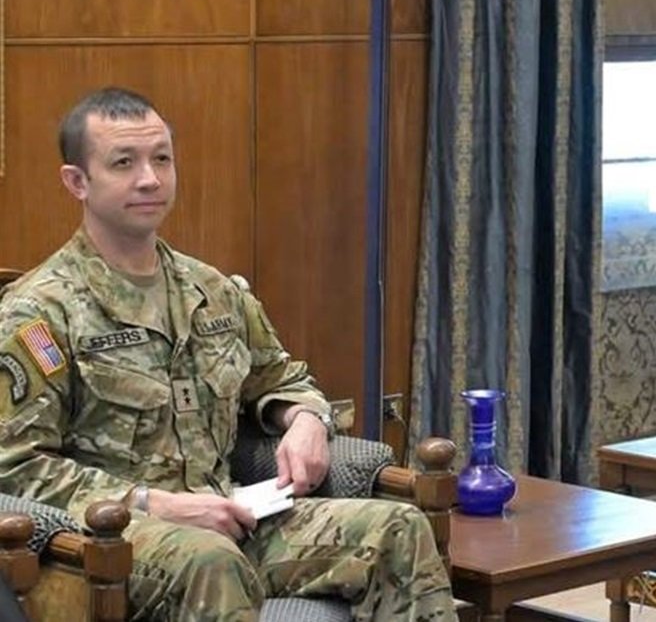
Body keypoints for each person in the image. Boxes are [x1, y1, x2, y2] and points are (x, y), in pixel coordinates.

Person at [0, 87, 456, 621]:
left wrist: (307, 419)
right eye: (123, 163)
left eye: (162, 159)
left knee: (398, 529)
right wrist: (155, 503)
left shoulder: (212, 291)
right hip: (115, 546)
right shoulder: (40, 312)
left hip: (231, 516)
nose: (150, 179)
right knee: (212, 561)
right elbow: (15, 467)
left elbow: (281, 379)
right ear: (77, 181)